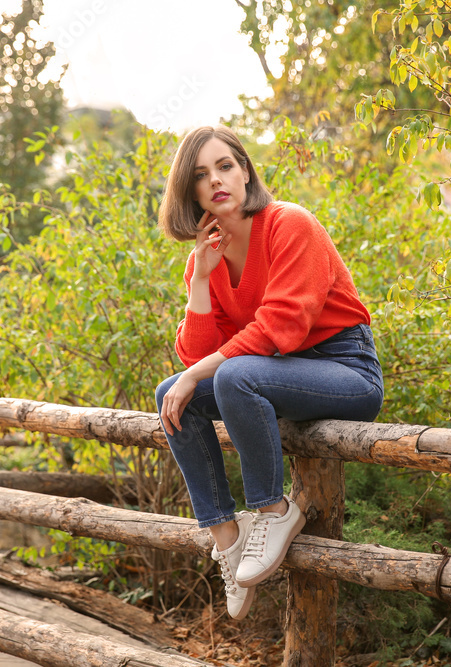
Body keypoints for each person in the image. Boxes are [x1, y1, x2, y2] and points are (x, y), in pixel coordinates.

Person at [155, 126, 384, 620]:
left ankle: (274, 512)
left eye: (225, 166)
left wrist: (200, 373)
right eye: (200, 175)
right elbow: (196, 354)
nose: (216, 180)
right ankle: (227, 537)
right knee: (171, 392)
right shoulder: (209, 254)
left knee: (233, 376)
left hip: (346, 369)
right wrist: (199, 278)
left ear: (245, 170)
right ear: (188, 191)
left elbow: (280, 327)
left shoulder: (289, 223)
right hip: (278, 372)